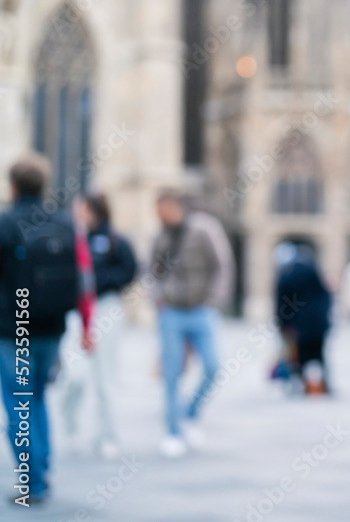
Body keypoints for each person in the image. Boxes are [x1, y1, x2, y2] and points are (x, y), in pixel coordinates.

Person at [0, 154, 95, 504]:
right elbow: (85, 278)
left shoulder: (5, 223)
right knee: (37, 396)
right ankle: (41, 464)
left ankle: (34, 480)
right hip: (52, 328)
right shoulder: (67, 223)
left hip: (12, 331)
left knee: (17, 404)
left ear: (12, 186)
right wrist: (87, 326)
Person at [150, 189, 234, 458]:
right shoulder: (160, 236)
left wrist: (214, 300)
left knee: (213, 367)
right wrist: (157, 298)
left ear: (175, 206)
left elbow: (222, 264)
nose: (159, 215)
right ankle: (172, 432)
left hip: (201, 309)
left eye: (162, 209)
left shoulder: (204, 228)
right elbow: (150, 271)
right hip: (171, 311)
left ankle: (190, 413)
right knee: (172, 374)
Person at [59, 193, 137, 460]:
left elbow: (129, 271)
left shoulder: (115, 241)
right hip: (78, 309)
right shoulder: (72, 240)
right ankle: (69, 424)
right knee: (74, 375)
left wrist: (100, 281)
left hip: (106, 307)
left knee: (105, 378)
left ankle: (107, 436)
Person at [274, 243, 333, 395]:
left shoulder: (286, 276)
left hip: (297, 325)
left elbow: (282, 305)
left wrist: (283, 325)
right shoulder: (313, 271)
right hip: (318, 323)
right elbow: (326, 296)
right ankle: (324, 384)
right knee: (319, 353)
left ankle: (301, 385)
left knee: (299, 356)